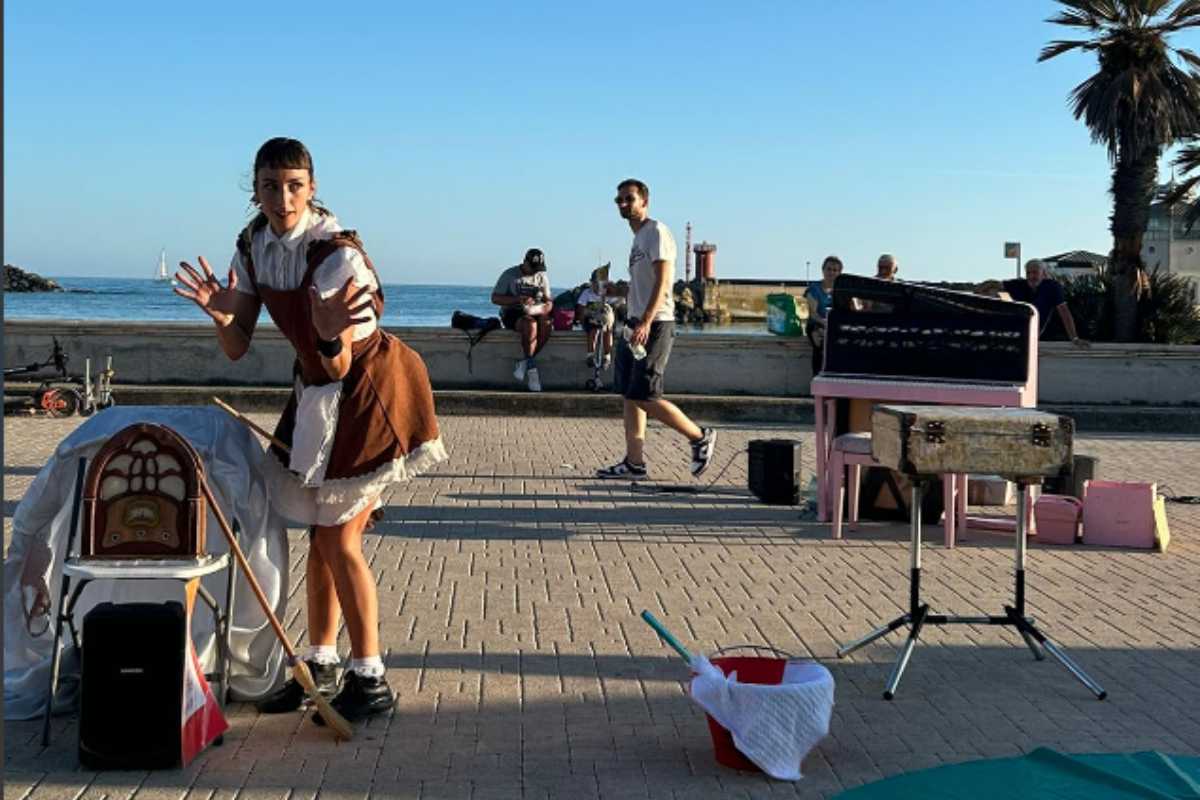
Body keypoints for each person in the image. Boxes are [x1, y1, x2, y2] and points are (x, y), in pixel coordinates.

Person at [173, 137, 447, 724]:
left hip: (371, 389)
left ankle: (370, 676)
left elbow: (340, 362)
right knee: (319, 537)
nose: (282, 198)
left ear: (312, 187)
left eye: (294, 185)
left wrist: (325, 333)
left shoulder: (338, 256)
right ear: (256, 189)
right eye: (270, 186)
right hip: (316, 392)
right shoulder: (253, 246)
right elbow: (238, 346)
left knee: (338, 540)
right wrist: (223, 316)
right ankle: (322, 663)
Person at [596, 178, 717, 480]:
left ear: (644, 201)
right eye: (619, 200)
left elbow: (663, 281)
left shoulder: (656, 232)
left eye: (629, 199)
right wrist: (619, 289)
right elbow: (643, 284)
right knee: (629, 393)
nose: (623, 204)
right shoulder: (638, 240)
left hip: (656, 323)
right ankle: (634, 463)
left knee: (646, 395)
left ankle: (699, 436)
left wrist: (647, 321)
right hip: (635, 322)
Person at [491, 248, 553, 392]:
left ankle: (525, 362)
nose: (534, 272)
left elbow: (549, 301)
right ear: (524, 262)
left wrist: (542, 309)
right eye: (532, 268)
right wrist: (518, 299)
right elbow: (495, 298)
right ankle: (532, 372)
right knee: (530, 325)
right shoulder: (509, 275)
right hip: (513, 311)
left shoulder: (541, 277)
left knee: (547, 323)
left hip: (535, 309)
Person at [1002, 259, 1089, 347]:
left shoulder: (1052, 287)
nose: (1031, 276)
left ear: (1043, 274)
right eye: (1028, 273)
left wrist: (1074, 338)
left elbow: (1064, 312)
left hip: (1046, 335)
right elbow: (994, 284)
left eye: (1035, 273)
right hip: (1017, 333)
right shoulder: (1017, 285)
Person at [805, 255, 844, 376]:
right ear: (823, 270)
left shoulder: (842, 290)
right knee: (820, 345)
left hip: (835, 324)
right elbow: (813, 314)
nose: (831, 272)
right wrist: (825, 323)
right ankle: (817, 380)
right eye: (829, 269)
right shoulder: (814, 288)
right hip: (817, 323)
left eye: (835, 270)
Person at [575, 269, 616, 371]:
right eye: (595, 283)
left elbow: (618, 305)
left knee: (607, 331)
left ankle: (607, 356)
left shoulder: (609, 294)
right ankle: (590, 355)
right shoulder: (587, 293)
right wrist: (583, 322)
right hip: (592, 320)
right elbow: (581, 310)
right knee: (594, 330)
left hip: (606, 321)